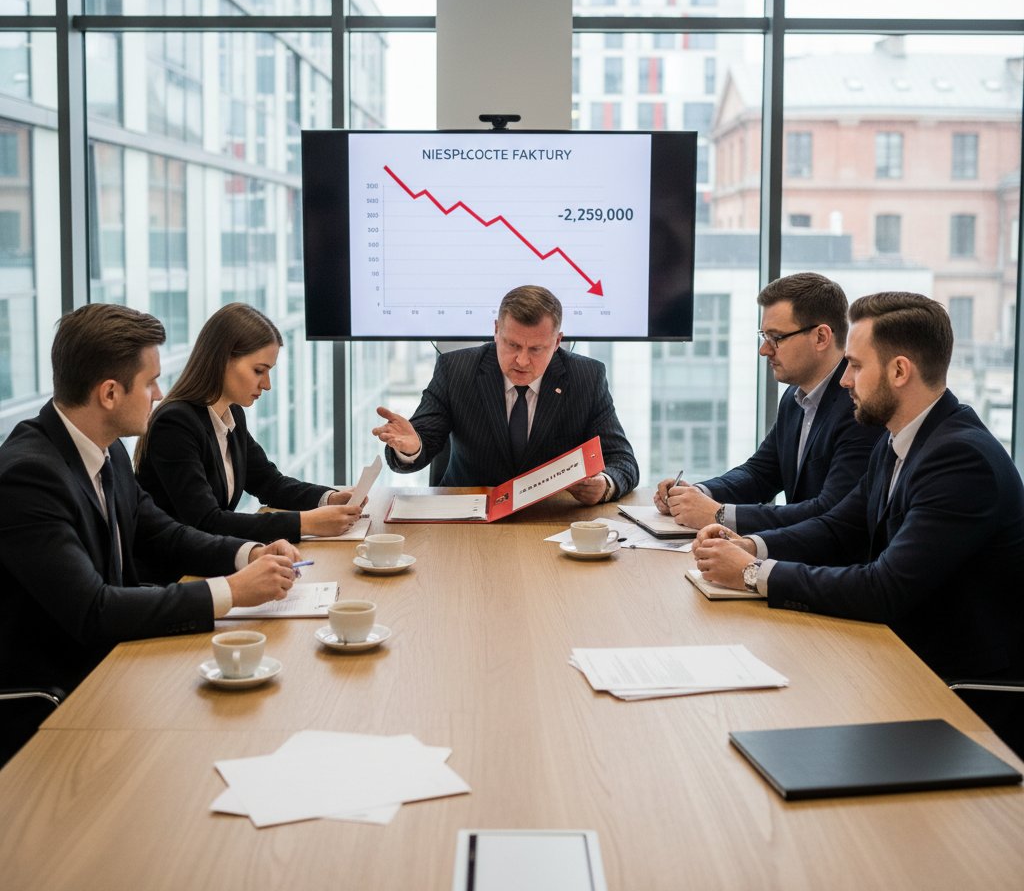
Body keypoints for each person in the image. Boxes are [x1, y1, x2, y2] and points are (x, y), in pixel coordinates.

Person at [691, 292, 1024, 754]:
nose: (844, 380)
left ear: (900, 371)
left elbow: (884, 589)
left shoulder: (960, 459)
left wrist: (750, 575)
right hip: (895, 655)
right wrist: (751, 546)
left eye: (855, 365)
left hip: (956, 690)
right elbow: (837, 527)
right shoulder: (899, 440)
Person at [0, 304, 301, 764]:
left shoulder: (108, 452)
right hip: (58, 701)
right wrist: (231, 592)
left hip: (118, 666)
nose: (160, 394)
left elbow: (167, 534)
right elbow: (93, 610)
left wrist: (249, 554)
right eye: (150, 382)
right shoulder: (28, 477)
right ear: (109, 393)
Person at [135, 303, 363, 565]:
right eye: (259, 371)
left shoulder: (230, 415)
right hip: (176, 577)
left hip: (209, 564)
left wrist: (329, 498)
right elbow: (206, 521)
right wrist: (307, 522)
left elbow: (269, 483)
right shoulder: (175, 424)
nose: (266, 385)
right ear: (223, 359)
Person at [655, 272, 884, 531]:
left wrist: (719, 515)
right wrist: (698, 493)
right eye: (763, 337)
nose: (764, 350)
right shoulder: (796, 395)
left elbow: (829, 511)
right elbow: (761, 473)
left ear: (821, 337)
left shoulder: (859, 405)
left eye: (776, 338)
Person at [372, 285, 639, 505]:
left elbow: (623, 461)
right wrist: (412, 447)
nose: (522, 360)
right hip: (471, 517)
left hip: (549, 520)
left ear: (557, 342)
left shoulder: (587, 377)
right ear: (496, 331)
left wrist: (605, 485)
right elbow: (421, 442)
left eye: (536, 349)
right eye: (512, 345)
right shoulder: (456, 370)